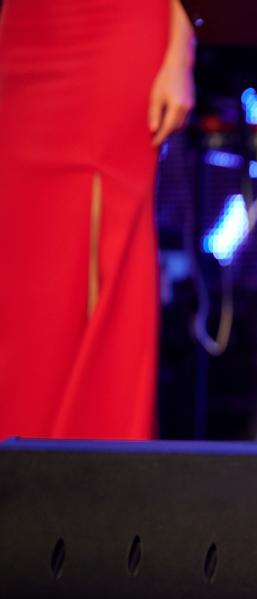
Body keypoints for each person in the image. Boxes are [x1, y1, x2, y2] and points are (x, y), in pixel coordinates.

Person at [0, 0, 194, 439]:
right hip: (27, 30)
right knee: (22, 260)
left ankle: (93, 445)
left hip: (116, 29)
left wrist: (181, 56)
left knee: (107, 228)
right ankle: (17, 441)